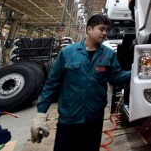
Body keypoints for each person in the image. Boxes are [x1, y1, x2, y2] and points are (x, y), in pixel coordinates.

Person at [31, 14, 131, 150]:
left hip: (94, 118)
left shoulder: (108, 54)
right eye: (101, 29)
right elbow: (52, 84)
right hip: (69, 117)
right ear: (89, 29)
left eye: (106, 30)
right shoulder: (68, 53)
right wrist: (41, 115)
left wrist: (135, 73)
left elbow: (115, 77)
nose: (105, 33)